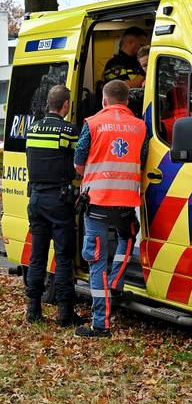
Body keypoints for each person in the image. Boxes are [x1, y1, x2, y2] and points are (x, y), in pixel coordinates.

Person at [74, 80, 148, 338]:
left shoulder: (92, 124)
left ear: (104, 101)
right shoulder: (141, 126)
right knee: (128, 237)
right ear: (127, 101)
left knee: (96, 261)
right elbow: (142, 159)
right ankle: (116, 282)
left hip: (97, 203)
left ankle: (101, 324)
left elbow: (79, 163)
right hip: (126, 203)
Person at [24, 85, 84, 327]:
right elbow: (77, 162)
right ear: (66, 104)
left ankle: (33, 310)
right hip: (58, 200)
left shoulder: (33, 128)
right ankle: (64, 313)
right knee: (63, 257)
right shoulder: (68, 130)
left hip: (36, 198)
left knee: (37, 256)